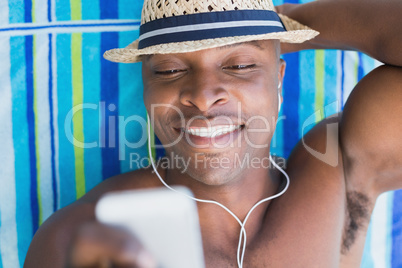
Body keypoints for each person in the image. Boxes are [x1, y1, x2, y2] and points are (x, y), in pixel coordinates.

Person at [24, 0, 402, 267]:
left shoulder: (339, 168)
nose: (203, 97)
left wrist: (282, 24)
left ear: (280, 80)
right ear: (145, 87)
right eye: (170, 70)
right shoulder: (91, 232)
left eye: (239, 64)